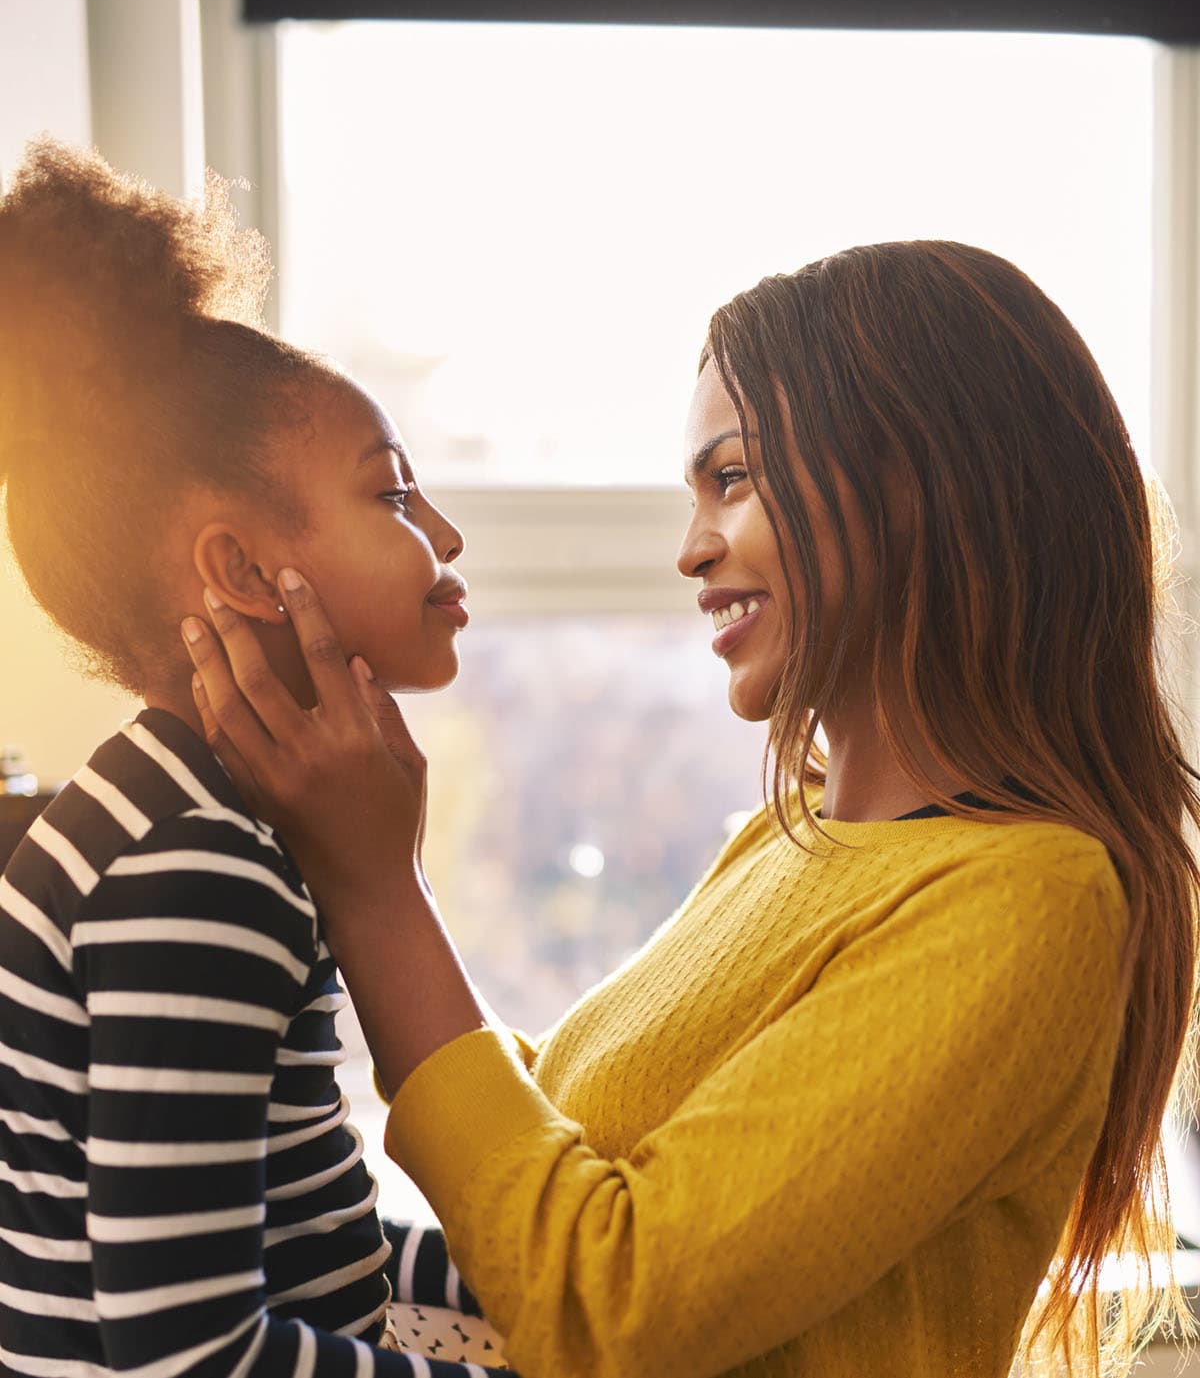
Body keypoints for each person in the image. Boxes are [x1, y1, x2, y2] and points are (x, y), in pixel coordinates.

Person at [186, 241, 1200, 1378]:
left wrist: (379, 893)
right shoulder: (794, 839)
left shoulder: (1026, 903)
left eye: (732, 479)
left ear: (915, 487)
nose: (691, 549)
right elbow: (562, 1157)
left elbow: (613, 1305)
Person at [0, 140, 509, 1375]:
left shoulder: (198, 811)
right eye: (391, 496)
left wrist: (549, 1280)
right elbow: (192, 1357)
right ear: (238, 572)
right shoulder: (195, 869)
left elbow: (312, 1240)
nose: (442, 533)